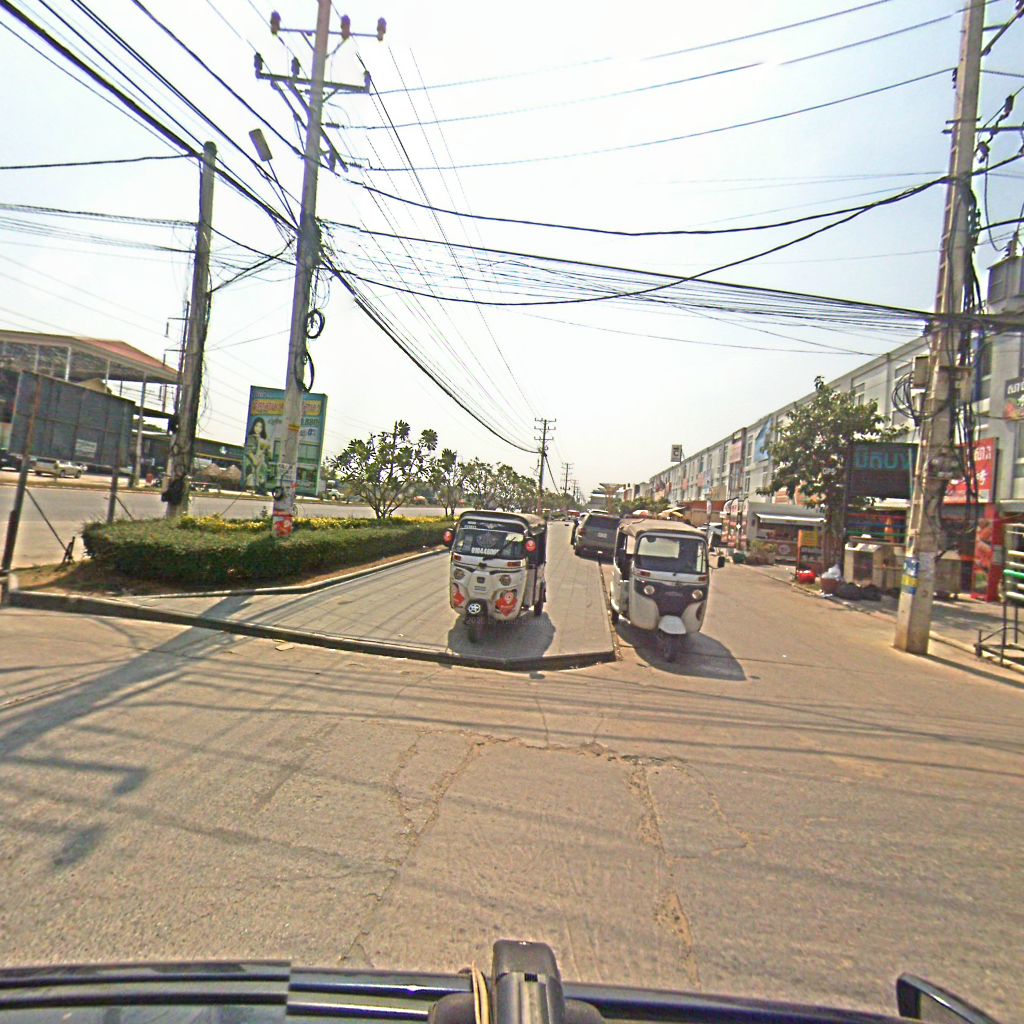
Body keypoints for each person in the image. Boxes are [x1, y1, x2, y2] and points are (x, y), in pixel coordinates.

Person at [244, 416, 271, 491]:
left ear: (262, 429)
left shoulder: (262, 439)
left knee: (262, 472)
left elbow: (266, 451)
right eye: (256, 426)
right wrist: (254, 459)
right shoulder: (251, 438)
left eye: (260, 427)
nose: (258, 428)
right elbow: (248, 450)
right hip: (251, 462)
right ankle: (252, 486)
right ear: (253, 426)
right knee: (252, 475)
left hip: (260, 462)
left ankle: (260, 486)